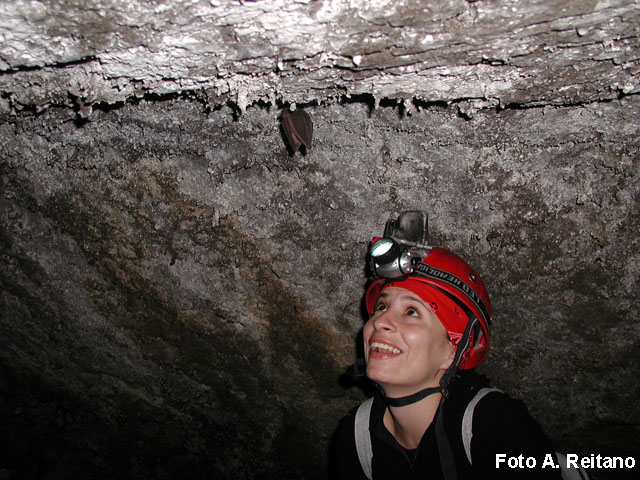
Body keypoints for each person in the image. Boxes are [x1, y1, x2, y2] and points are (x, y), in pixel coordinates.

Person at [333, 211, 566, 480]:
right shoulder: (357, 439)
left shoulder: (493, 426)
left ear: (452, 349)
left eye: (412, 312)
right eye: (382, 306)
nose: (381, 320)